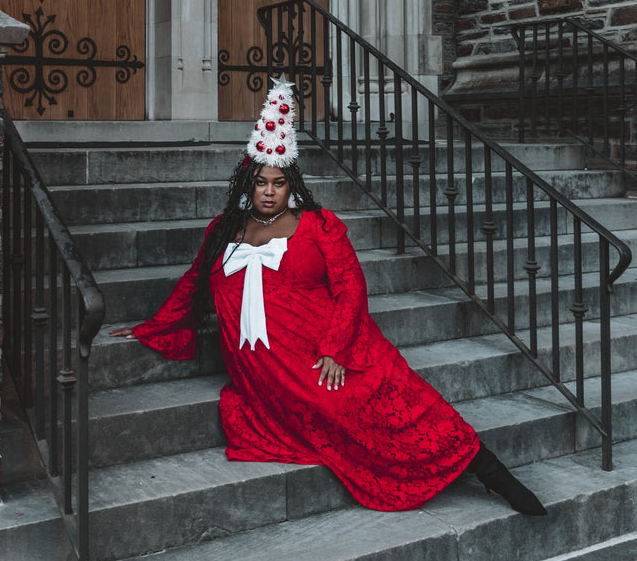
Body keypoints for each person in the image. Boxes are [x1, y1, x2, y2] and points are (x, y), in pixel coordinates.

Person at [112, 79, 546, 517]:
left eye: (278, 183)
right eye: (260, 182)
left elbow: (351, 286)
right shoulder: (223, 230)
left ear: (290, 184)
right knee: (330, 408)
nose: (268, 191)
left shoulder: (319, 224)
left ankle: (488, 470)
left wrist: (335, 349)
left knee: (390, 398)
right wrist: (154, 326)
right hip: (264, 364)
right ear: (248, 182)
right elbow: (193, 284)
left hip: (323, 346)